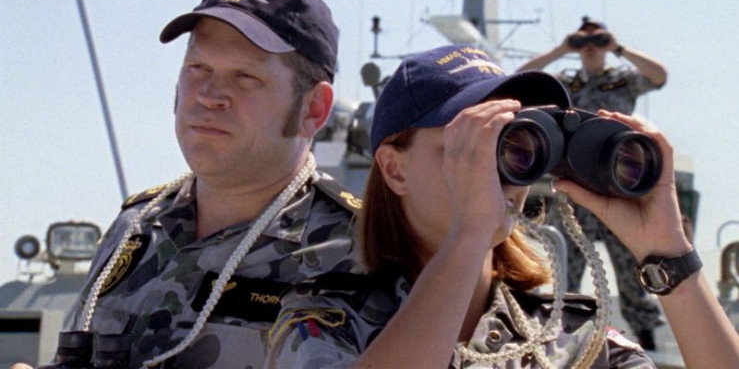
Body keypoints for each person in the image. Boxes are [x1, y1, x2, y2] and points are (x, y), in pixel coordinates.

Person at [265, 44, 739, 368]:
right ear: (394, 170)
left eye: (512, 143)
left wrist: (669, 255)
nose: (493, 167)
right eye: (468, 143)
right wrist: (470, 234)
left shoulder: (572, 341)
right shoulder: (322, 322)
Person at [12, 0, 364, 369]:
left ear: (313, 109)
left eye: (245, 76)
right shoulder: (135, 228)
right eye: (198, 69)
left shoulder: (358, 250)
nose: (210, 95)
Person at [517, 17, 669, 348]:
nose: (590, 46)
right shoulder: (566, 83)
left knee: (631, 266)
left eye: (597, 40)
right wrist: (561, 50)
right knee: (565, 263)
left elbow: (659, 76)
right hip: (576, 181)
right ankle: (559, 333)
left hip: (617, 179)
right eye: (583, 41)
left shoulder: (622, 80)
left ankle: (645, 334)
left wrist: (618, 48)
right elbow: (521, 79)